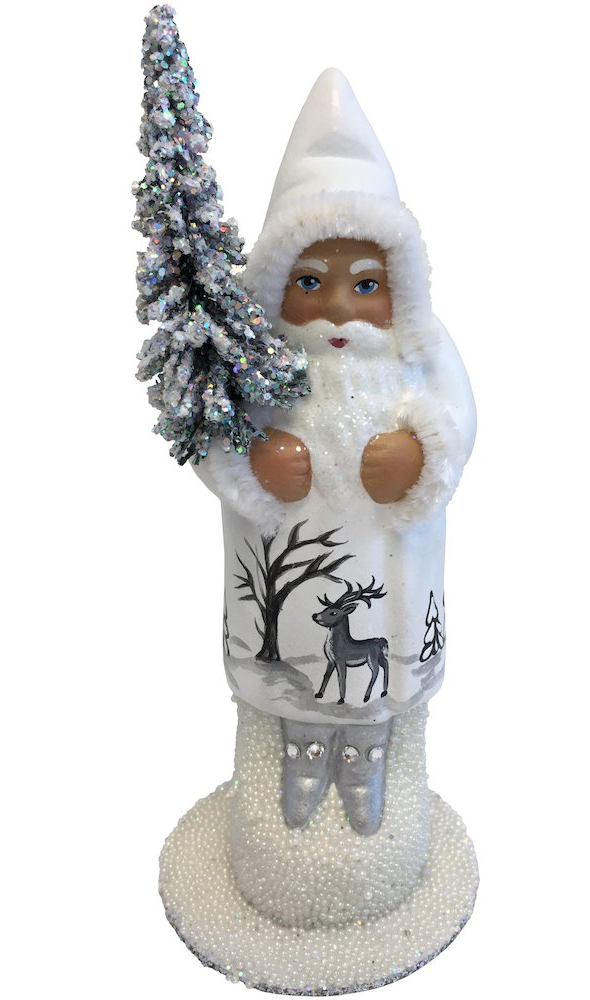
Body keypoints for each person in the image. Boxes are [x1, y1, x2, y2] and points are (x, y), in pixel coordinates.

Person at [194, 68, 475, 840]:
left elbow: (459, 419)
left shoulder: (420, 352)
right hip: (289, 550)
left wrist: (422, 454)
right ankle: (304, 747)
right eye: (312, 282)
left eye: (366, 284)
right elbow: (210, 431)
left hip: (388, 561)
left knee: (379, 664)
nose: (340, 308)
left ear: (399, 285)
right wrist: (250, 460)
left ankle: (368, 753)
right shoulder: (257, 366)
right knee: (297, 652)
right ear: (275, 284)